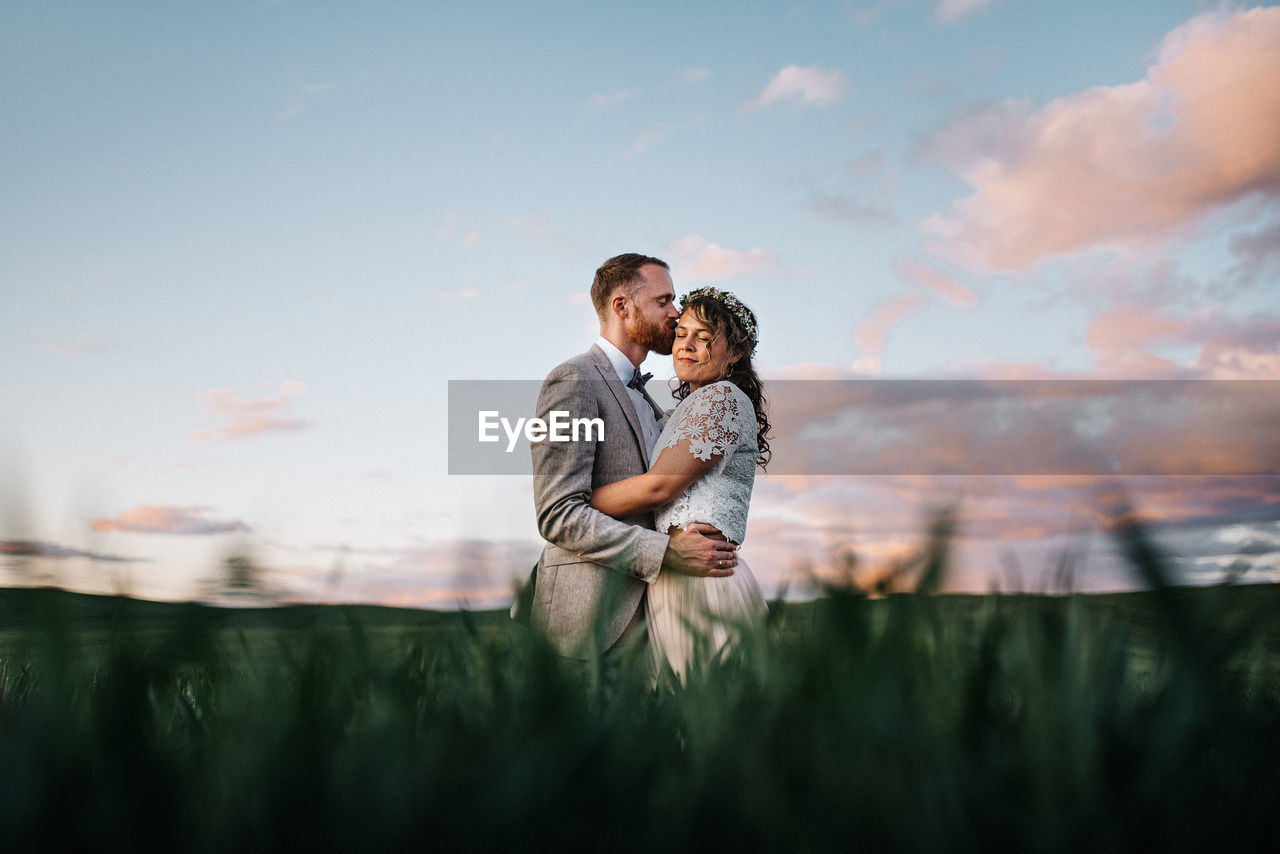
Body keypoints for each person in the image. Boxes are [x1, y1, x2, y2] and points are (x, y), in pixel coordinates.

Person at [518, 253, 740, 660]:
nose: (675, 315)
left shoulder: (652, 402)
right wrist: (665, 553)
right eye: (663, 301)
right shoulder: (574, 380)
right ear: (622, 306)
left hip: (657, 621)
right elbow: (557, 514)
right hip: (586, 621)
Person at [588, 286, 770, 681]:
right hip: (673, 576)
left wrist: (577, 504)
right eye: (681, 333)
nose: (685, 345)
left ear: (735, 353)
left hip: (704, 581)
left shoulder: (721, 398)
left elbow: (659, 488)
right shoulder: (682, 410)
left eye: (703, 338)